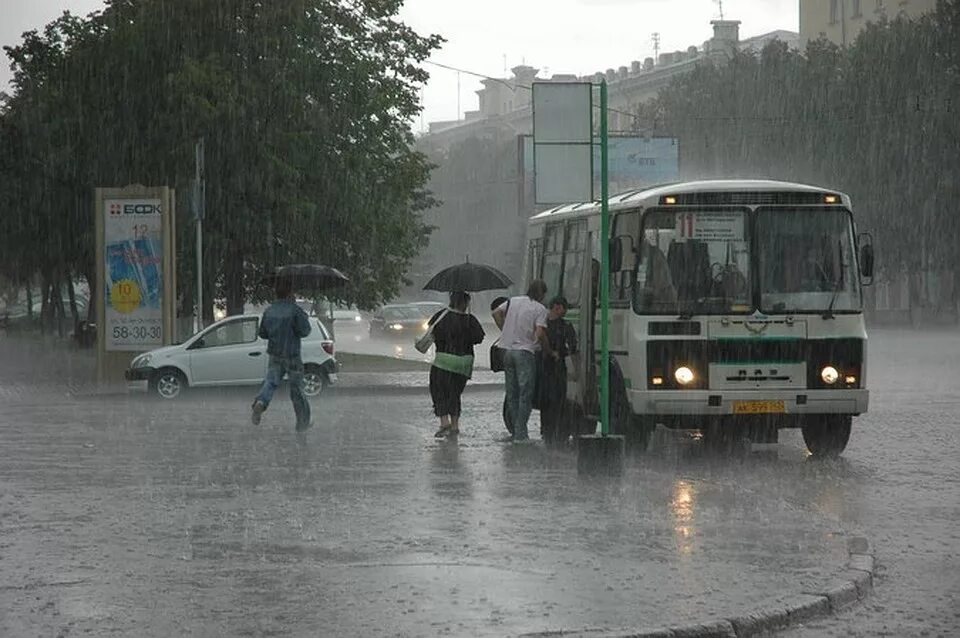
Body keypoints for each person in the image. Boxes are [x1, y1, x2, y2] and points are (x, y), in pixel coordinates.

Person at [492, 279, 558, 442]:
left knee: (512, 392)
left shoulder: (514, 301)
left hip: (508, 352)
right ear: (541, 293)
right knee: (525, 394)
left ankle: (516, 431)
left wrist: (505, 330)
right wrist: (548, 351)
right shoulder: (540, 309)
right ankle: (521, 434)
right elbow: (541, 333)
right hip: (525, 353)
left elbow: (495, 313)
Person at [251, 277, 313, 431]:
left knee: (270, 382)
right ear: (290, 293)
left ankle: (261, 402)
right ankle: (302, 423)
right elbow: (305, 331)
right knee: (297, 390)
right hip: (292, 355)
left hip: (275, 354)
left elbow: (263, 333)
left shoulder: (269, 311)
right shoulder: (295, 311)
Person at [429, 291, 485, 439]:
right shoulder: (469, 319)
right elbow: (479, 338)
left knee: (439, 391)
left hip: (443, 361)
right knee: (454, 393)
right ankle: (455, 426)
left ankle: (444, 422)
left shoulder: (441, 316)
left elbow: (432, 332)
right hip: (463, 364)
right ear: (465, 303)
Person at [537, 297, 578, 445]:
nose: (565, 311)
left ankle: (548, 432)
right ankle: (556, 432)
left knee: (548, 401)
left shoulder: (543, 324)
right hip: (556, 366)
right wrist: (576, 370)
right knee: (557, 400)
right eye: (564, 308)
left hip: (545, 366)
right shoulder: (565, 326)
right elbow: (572, 349)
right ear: (556, 307)